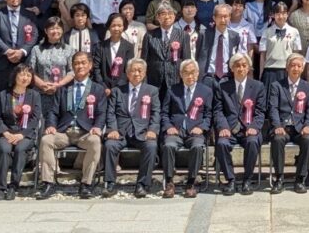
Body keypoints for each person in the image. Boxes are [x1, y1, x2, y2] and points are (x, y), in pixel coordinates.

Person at [35, 52, 106, 200]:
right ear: (72, 67)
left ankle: (86, 183)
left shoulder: (98, 89)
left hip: (85, 132)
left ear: (90, 65)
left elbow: (101, 113)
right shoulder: (63, 88)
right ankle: (48, 182)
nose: (80, 66)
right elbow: (53, 111)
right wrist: (51, 125)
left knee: (95, 141)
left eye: (83, 63)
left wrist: (98, 126)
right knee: (46, 140)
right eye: (76, 63)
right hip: (64, 131)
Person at [103, 58, 160, 198]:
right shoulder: (117, 91)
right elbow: (110, 112)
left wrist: (152, 130)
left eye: (140, 70)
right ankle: (110, 183)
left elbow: (156, 113)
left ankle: (142, 184)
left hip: (142, 132)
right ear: (127, 73)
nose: (136, 73)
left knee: (151, 147)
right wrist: (112, 129)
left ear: (145, 73)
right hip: (121, 132)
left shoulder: (152, 91)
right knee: (110, 145)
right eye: (133, 70)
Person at [214, 52, 266, 196]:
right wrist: (223, 127)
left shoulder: (258, 86)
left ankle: (247, 180)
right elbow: (218, 111)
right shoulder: (222, 87)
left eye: (244, 65)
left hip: (249, 128)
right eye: (237, 66)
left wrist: (255, 127)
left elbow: (261, 112)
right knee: (221, 144)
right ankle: (230, 180)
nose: (241, 69)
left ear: (249, 68)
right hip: (229, 129)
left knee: (252, 142)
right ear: (232, 68)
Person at [161, 59, 214, 198]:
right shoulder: (172, 90)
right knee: (168, 146)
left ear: (197, 73)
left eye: (192, 73)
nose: (189, 76)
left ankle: (191, 182)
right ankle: (169, 182)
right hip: (176, 130)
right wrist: (168, 127)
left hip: (195, 131)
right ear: (180, 74)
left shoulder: (206, 91)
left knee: (197, 147)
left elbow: (209, 115)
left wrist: (202, 128)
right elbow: (164, 113)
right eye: (186, 73)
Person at [0, 63, 42, 200]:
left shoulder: (34, 95)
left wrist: (22, 134)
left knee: (20, 149)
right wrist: (5, 132)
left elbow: (36, 118)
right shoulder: (3, 95)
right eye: (22, 74)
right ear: (15, 76)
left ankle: (14, 185)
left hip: (25, 134)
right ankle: (1, 188)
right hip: (7, 132)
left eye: (28, 75)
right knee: (4, 149)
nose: (25, 78)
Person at [267, 54, 309, 194]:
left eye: (299, 66)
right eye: (293, 65)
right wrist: (277, 126)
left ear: (302, 69)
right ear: (287, 68)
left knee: (308, 139)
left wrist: (308, 125)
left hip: (300, 127)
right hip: (283, 127)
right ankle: (279, 178)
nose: (295, 68)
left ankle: (300, 179)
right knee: (277, 140)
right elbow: (273, 108)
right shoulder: (277, 86)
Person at [0, 0, 40, 109]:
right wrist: (8, 51)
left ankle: (22, 126)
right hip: (2, 61)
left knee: (23, 98)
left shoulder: (29, 15)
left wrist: (22, 51)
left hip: (22, 62)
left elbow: (34, 35)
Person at [27, 16, 74, 119]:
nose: (55, 31)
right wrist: (43, 85)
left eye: (58, 28)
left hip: (62, 94)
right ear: (46, 30)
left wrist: (58, 85)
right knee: (41, 123)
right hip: (41, 93)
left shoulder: (69, 49)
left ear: (62, 30)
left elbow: (72, 72)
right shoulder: (36, 49)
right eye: (52, 28)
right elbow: (30, 71)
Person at [141, 4, 191, 92]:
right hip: (154, 80)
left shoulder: (183, 35)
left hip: (176, 79)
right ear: (157, 17)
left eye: (170, 13)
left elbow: (186, 60)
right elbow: (144, 60)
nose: (167, 17)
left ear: (174, 16)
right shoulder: (149, 35)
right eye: (163, 14)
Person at [92, 13, 136, 97]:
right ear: (109, 26)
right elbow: (96, 68)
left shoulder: (129, 47)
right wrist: (104, 87)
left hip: (122, 88)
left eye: (119, 25)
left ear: (124, 27)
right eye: (113, 25)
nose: (116, 28)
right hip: (103, 89)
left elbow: (128, 69)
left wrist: (117, 88)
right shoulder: (100, 46)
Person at [197, 4, 242, 85]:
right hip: (207, 77)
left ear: (230, 18)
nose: (223, 20)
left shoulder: (235, 36)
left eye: (226, 16)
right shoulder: (203, 34)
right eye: (220, 16)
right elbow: (196, 55)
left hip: (227, 78)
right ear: (214, 18)